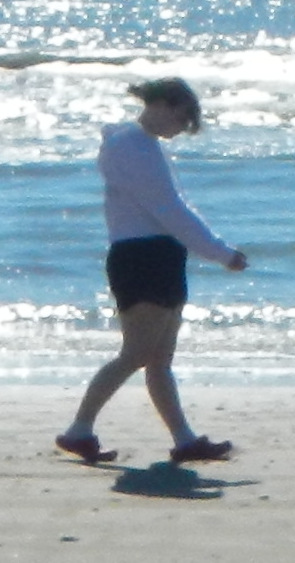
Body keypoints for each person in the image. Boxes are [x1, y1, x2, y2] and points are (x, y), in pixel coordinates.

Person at [59, 76, 246, 466]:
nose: (180, 129)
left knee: (159, 358)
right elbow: (169, 210)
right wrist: (221, 253)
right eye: (181, 118)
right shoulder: (129, 146)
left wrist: (211, 250)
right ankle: (79, 429)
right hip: (141, 257)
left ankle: (184, 440)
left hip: (161, 255)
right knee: (136, 353)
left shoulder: (144, 146)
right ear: (160, 104)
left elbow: (171, 210)